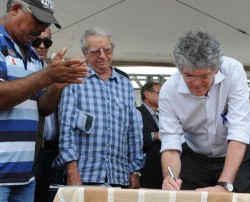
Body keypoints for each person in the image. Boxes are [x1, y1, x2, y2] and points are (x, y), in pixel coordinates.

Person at [0, 0, 89, 201]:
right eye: (38, 20)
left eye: (47, 24)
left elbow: (43, 108)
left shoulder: (32, 55)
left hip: (24, 177)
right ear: (14, 10)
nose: (42, 28)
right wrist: (47, 76)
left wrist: (56, 85)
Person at [159, 30, 250, 192]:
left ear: (216, 69)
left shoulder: (233, 71)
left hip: (234, 154)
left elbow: (239, 128)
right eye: (189, 75)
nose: (196, 83)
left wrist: (224, 185)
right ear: (180, 70)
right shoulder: (169, 91)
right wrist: (170, 179)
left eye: (204, 76)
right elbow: (170, 142)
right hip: (194, 157)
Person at [53, 27, 145, 188]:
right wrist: (72, 172)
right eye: (95, 51)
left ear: (113, 49)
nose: (102, 56)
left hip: (119, 176)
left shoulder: (125, 84)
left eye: (107, 50)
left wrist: (135, 171)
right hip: (85, 175)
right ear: (84, 52)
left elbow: (133, 131)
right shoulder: (74, 80)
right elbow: (66, 130)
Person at [31, 27, 64, 202]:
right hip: (30, 150)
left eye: (47, 42)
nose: (42, 46)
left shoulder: (55, 71)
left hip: (52, 151)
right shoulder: (24, 69)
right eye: (37, 41)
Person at [137, 81, 163, 189]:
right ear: (147, 94)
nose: (163, 96)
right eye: (160, 93)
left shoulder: (163, 116)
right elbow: (130, 139)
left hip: (162, 171)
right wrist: (154, 136)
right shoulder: (137, 113)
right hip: (145, 171)